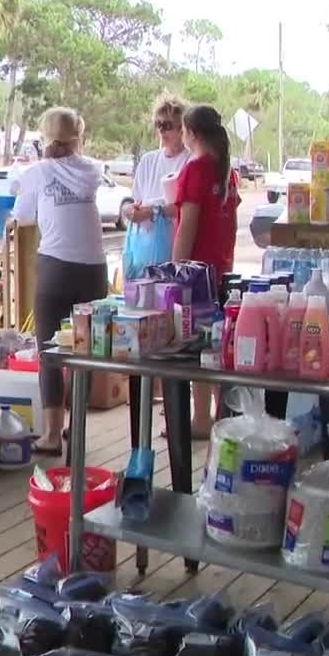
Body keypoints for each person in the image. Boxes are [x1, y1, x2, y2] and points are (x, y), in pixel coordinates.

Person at [12, 107, 108, 455]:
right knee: (86, 350)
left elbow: (22, 217)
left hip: (56, 266)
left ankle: (52, 436)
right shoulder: (92, 171)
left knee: (50, 350)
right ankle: (76, 428)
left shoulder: (38, 172)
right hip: (95, 269)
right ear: (77, 137)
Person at [125, 95, 191, 448]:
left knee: (172, 326)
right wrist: (133, 210)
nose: (165, 131)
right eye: (160, 124)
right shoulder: (149, 161)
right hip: (143, 248)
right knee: (143, 319)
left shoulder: (188, 161)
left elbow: (178, 206)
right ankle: (146, 398)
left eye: (171, 125)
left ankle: (174, 405)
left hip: (172, 247)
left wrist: (153, 212)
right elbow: (134, 199)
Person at [173, 104, 240, 437]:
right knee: (218, 347)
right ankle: (220, 418)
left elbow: (188, 226)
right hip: (223, 271)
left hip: (196, 274)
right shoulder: (227, 171)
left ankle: (201, 419)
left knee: (197, 349)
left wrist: (175, 270)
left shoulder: (196, 170)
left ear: (192, 133)